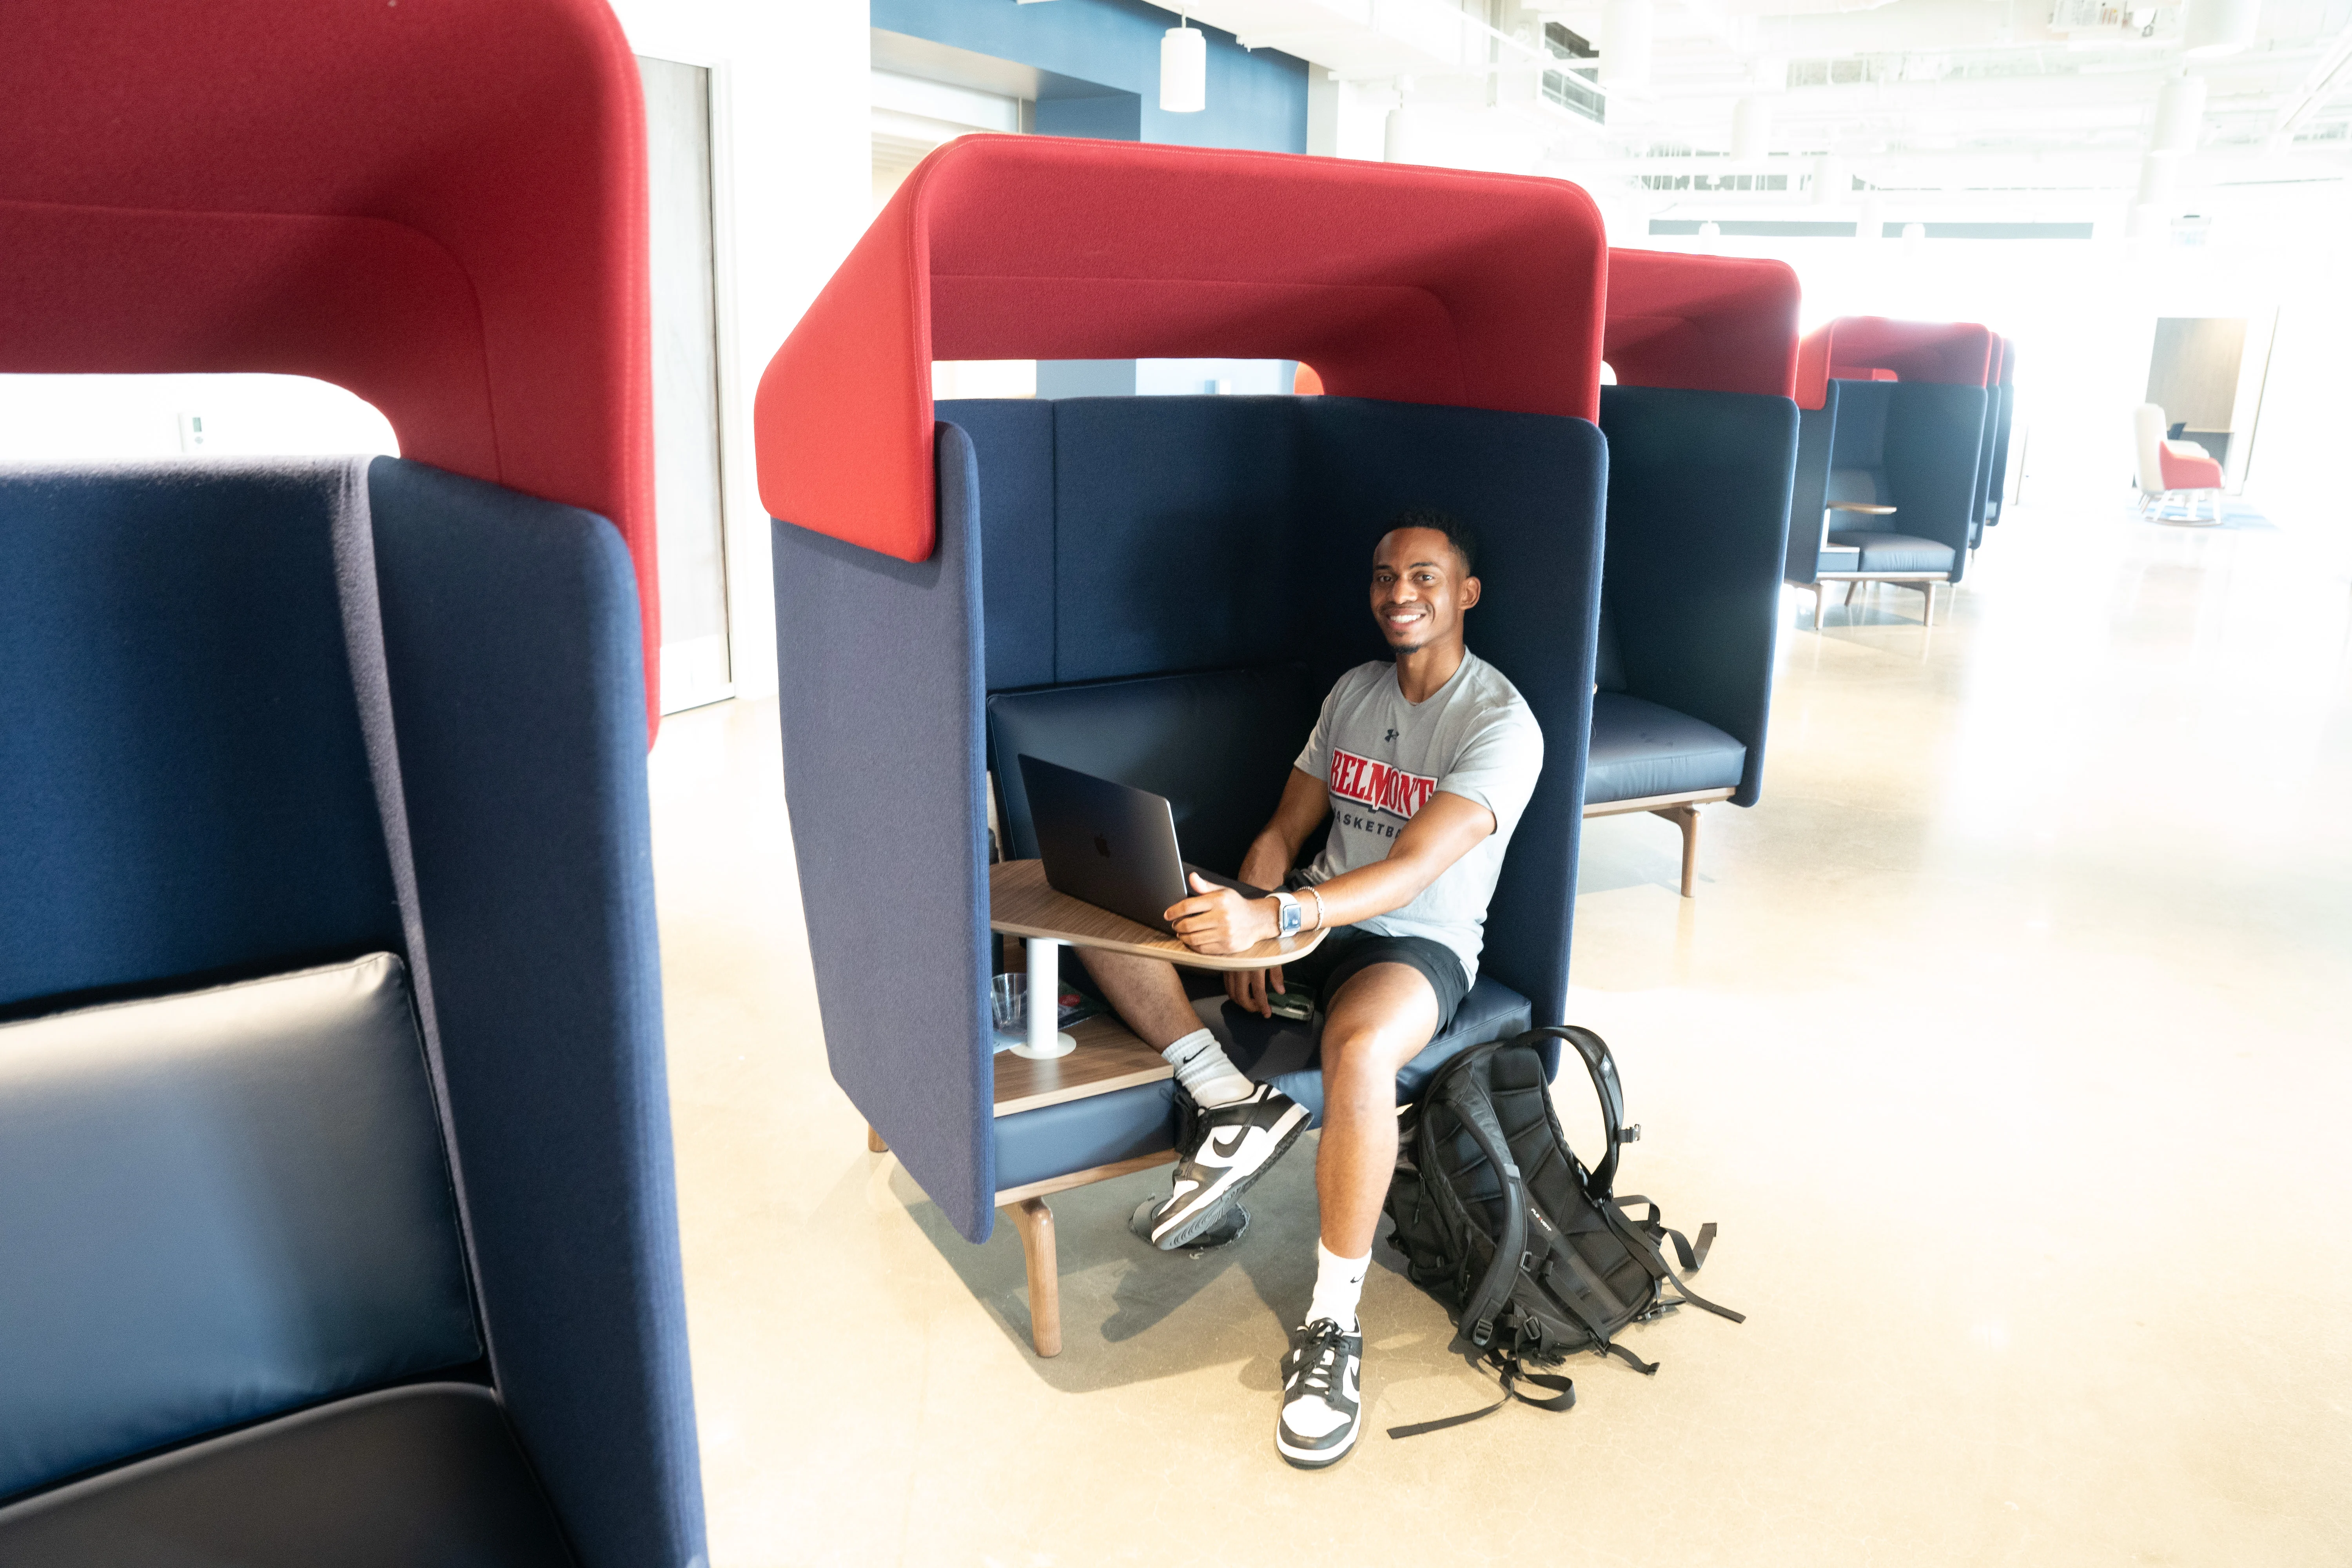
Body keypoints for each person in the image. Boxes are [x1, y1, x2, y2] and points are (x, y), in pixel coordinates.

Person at [1074, 508, 1544, 1469]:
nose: (1399, 593)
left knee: (1363, 1050)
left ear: (1467, 593)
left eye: (1423, 576)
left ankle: (1333, 1326)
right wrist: (1252, 908)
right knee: (1110, 908)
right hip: (1310, 920)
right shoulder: (1355, 688)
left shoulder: (1499, 722)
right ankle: (1227, 1097)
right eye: (1383, 576)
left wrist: (1284, 919)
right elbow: (1286, 830)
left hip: (1416, 945)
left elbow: (1415, 869)